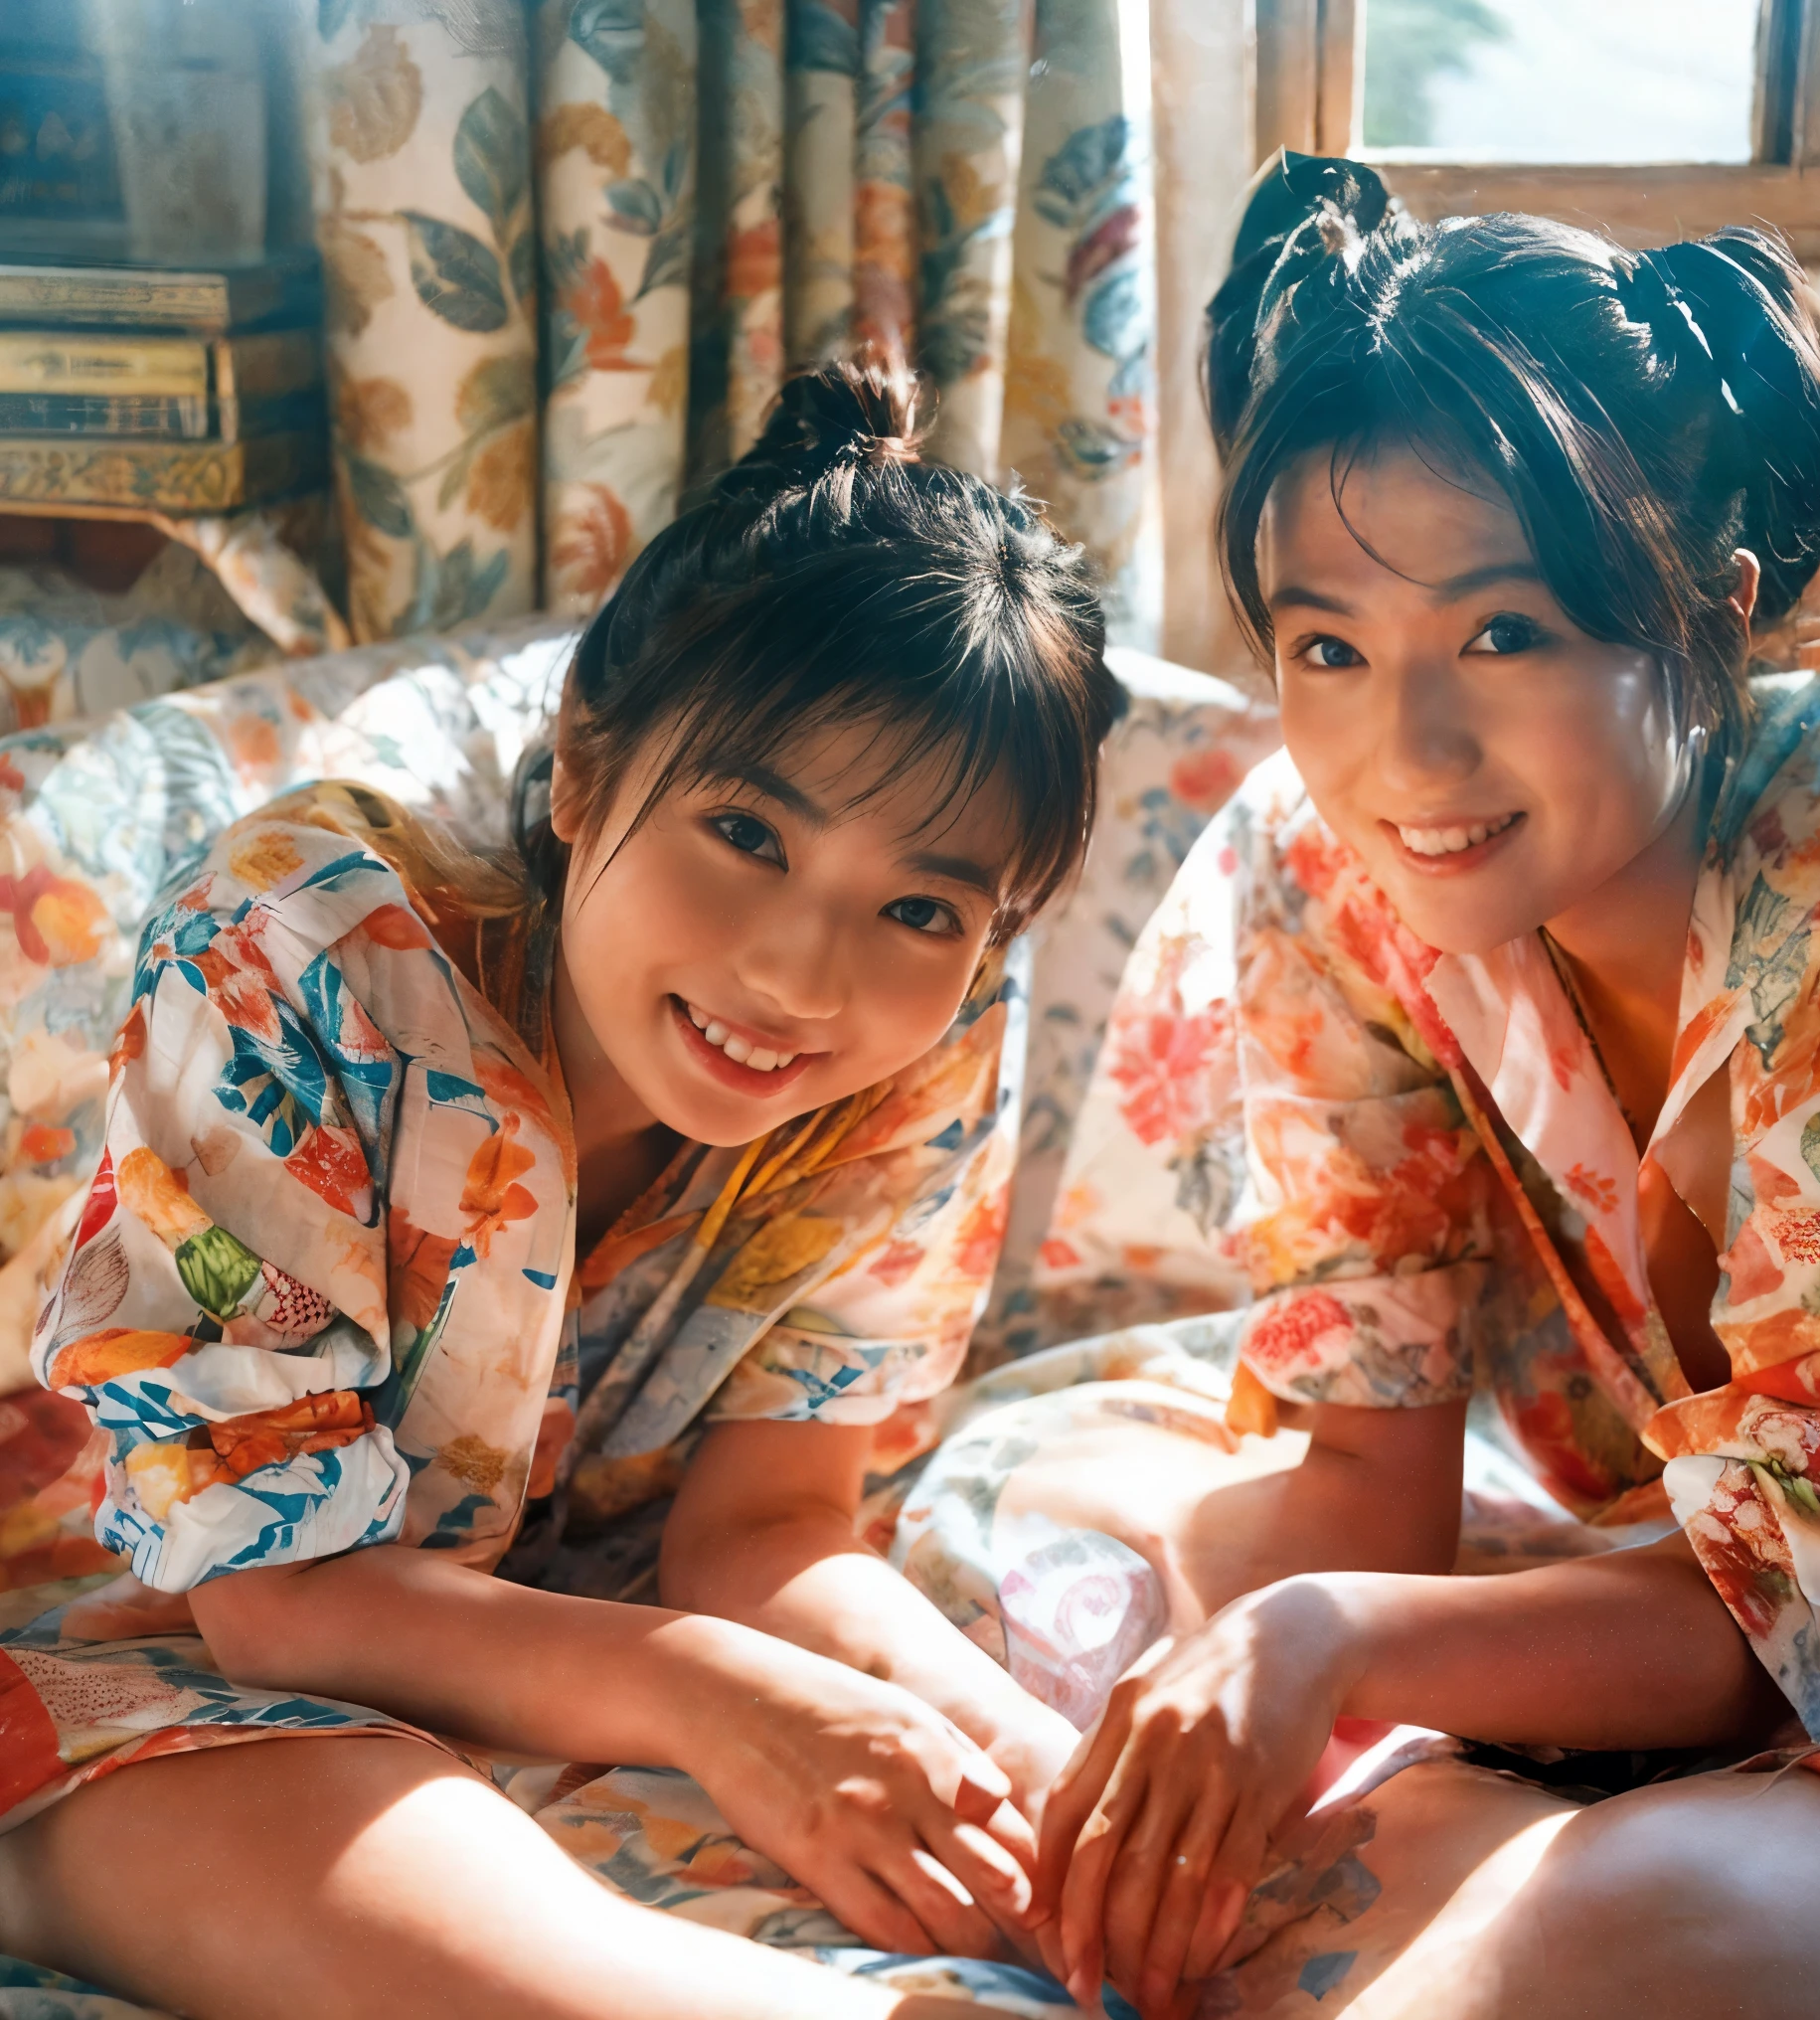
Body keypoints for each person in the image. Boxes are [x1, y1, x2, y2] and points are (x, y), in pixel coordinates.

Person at [909, 155, 1820, 2017]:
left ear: (1714, 613)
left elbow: (1804, 1621)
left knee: (1657, 1928)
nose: (1401, 748)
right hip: (1657, 1576)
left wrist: (1321, 1640)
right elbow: (1374, 1484)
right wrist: (1279, 1666)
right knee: (1064, 1587)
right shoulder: (1333, 866)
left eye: (1503, 633)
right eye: (1326, 646)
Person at [0, 362, 1120, 2020]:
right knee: (432, 1915)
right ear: (586, 764)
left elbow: (771, 1525)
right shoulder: (313, 941)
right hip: (150, 1621)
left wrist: (1034, 1765)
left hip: (548, 1622)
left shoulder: (922, 1036)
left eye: (923, 910)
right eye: (746, 829)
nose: (800, 974)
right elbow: (269, 1597)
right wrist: (727, 1704)